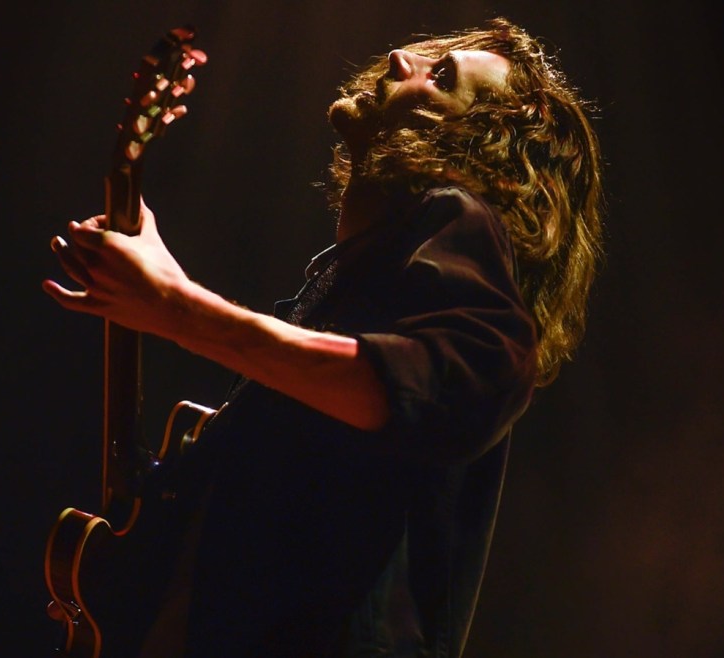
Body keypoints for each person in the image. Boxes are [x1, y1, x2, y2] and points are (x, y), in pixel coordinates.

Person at [44, 16, 604, 658]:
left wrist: (177, 308)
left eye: (442, 78)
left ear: (471, 146)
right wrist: (168, 285)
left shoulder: (461, 218)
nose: (399, 57)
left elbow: (458, 381)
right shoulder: (345, 286)